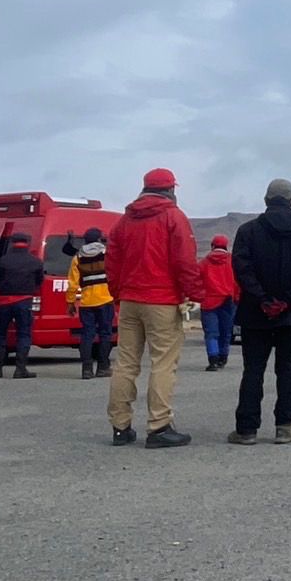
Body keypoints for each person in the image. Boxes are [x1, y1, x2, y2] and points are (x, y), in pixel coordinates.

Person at [105, 167, 202, 449]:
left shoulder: (124, 221)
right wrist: (196, 293)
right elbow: (184, 260)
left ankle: (120, 427)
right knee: (162, 363)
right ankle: (159, 426)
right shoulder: (174, 217)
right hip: (161, 300)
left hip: (130, 299)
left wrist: (118, 294)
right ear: (170, 189)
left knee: (125, 363)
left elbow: (112, 261)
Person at [228, 179, 291, 445]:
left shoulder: (248, 231)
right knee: (288, 368)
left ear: (267, 200)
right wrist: (287, 301)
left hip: (255, 312)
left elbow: (242, 269)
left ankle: (246, 429)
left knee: (253, 369)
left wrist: (262, 298)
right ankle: (285, 426)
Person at [0, 233, 44, 379]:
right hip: (24, 301)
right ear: (28, 243)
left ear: (12, 243)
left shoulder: (3, 260)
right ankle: (20, 369)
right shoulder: (35, 262)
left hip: (4, 302)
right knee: (24, 335)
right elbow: (39, 281)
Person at [67, 227, 115, 380]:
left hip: (86, 303)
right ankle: (103, 367)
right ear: (100, 239)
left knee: (87, 335)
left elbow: (73, 283)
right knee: (105, 334)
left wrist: (70, 302)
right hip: (106, 299)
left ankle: (86, 370)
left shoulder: (77, 258)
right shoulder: (107, 254)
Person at [199, 235, 241, 372]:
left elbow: (196, 280)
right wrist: (237, 297)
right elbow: (238, 282)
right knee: (226, 331)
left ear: (212, 246)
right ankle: (223, 357)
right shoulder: (233, 261)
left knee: (211, 332)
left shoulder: (204, 263)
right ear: (225, 246)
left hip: (209, 301)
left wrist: (198, 295)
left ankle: (213, 359)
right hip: (228, 300)